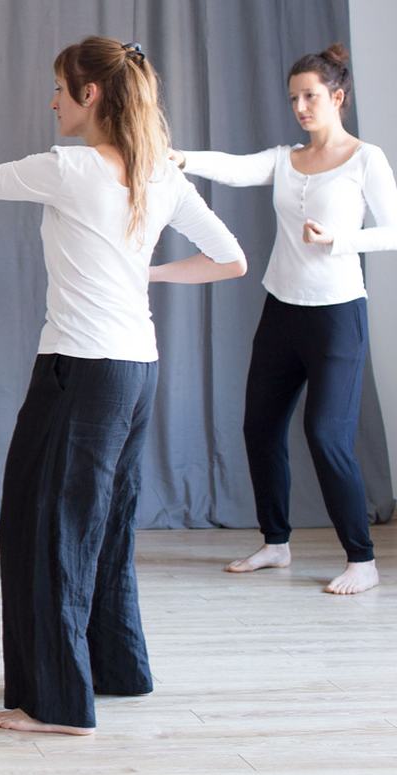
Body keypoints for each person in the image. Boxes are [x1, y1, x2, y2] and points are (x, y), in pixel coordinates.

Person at [0, 37, 246, 733]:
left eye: (61, 88)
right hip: (136, 371)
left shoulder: (71, 168)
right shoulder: (159, 174)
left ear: (91, 94)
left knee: (46, 529)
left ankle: (58, 705)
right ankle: (115, 670)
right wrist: (144, 274)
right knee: (104, 527)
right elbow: (232, 259)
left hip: (80, 371)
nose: (53, 100)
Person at [172, 43, 395, 595]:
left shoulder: (366, 159)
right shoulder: (284, 159)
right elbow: (234, 168)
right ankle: (275, 543)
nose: (300, 107)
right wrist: (181, 159)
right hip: (282, 311)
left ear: (337, 97)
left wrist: (339, 239)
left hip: (337, 316)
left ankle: (362, 559)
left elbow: (394, 231)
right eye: (294, 98)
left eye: (310, 96)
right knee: (260, 427)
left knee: (326, 434)